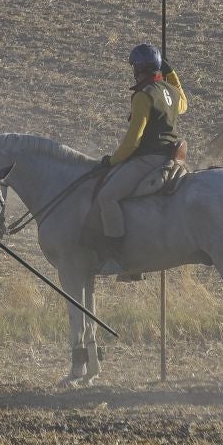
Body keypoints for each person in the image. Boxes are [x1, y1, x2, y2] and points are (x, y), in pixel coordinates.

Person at [89, 44, 189, 275]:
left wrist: (113, 161)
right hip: (171, 158)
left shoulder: (143, 96)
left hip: (148, 160)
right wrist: (171, 73)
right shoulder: (172, 93)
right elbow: (184, 103)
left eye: (134, 66)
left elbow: (134, 139)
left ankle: (116, 257)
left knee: (107, 197)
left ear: (139, 69)